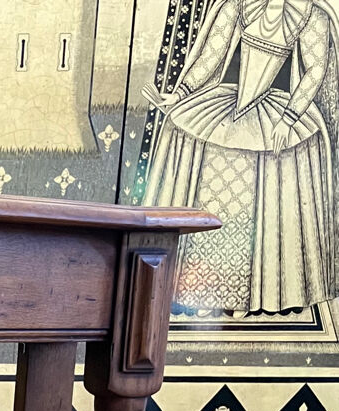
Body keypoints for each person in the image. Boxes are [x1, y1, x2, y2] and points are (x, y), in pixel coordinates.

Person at [142, 0, 339, 314]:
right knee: (198, 143)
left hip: (281, 108)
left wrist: (289, 119)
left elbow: (315, 70)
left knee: (270, 167)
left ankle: (258, 296)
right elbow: (211, 55)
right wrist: (179, 95)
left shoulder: (312, 16)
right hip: (227, 103)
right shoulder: (238, 5)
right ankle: (203, 292)